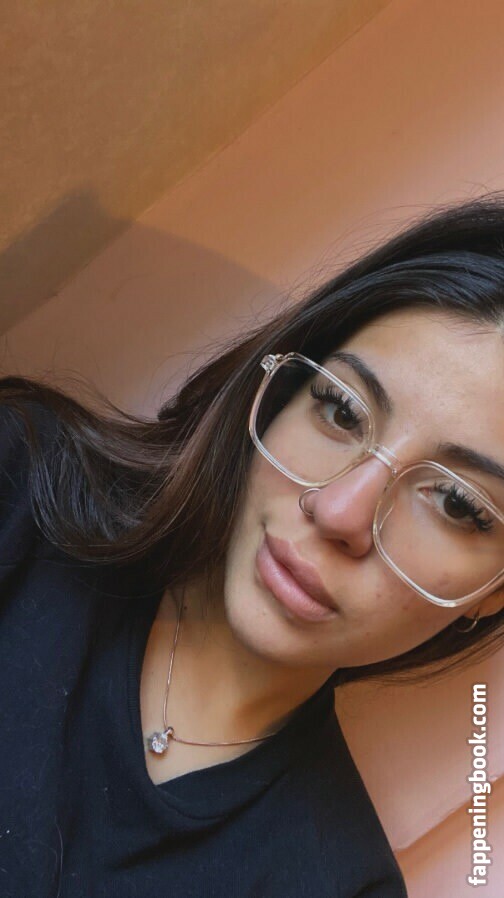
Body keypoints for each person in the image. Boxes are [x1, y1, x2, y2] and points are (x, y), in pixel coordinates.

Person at [1, 194, 504, 898]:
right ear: (284, 388)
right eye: (342, 409)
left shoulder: (336, 887)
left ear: (493, 593)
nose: (338, 510)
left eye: (455, 503)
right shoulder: (18, 485)